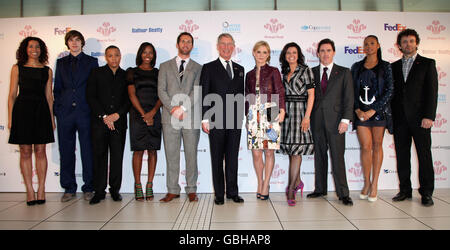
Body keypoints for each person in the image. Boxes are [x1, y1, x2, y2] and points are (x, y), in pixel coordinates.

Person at [390, 29, 438, 207]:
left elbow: (432, 92)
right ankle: (405, 190)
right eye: (404, 41)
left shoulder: (427, 64)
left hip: (421, 119)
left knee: (424, 156)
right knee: (402, 156)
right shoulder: (393, 66)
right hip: (400, 119)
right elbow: (392, 94)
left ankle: (426, 192)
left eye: (411, 41)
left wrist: (429, 116)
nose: (408, 44)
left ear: (416, 43)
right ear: (399, 45)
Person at [8, 37, 55, 206]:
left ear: (41, 49)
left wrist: (51, 119)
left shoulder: (47, 71)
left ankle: (41, 188)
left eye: (37, 46)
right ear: (25, 49)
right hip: (22, 112)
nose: (34, 49)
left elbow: (49, 97)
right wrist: (11, 118)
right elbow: (12, 95)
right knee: (25, 151)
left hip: (41, 111)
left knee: (41, 151)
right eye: (31, 46)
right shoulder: (17, 68)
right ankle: (29, 190)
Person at [307, 38, 354, 206]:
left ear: (333, 52)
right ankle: (320, 189)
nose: (325, 54)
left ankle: (343, 193)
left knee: (337, 157)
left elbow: (349, 98)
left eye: (328, 50)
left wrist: (346, 120)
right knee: (319, 156)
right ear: (317, 53)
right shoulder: (311, 72)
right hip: (317, 121)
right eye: (322, 51)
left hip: (336, 123)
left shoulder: (343, 72)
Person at [200, 33, 246, 205]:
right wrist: (205, 119)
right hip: (215, 120)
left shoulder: (240, 69)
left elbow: (241, 95)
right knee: (217, 158)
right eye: (223, 44)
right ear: (218, 46)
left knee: (233, 158)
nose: (227, 47)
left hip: (235, 121)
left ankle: (232, 192)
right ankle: (219, 194)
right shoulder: (208, 67)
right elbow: (204, 93)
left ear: (234, 47)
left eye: (230, 44)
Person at [54, 30, 99, 202]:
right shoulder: (61, 63)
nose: (74, 43)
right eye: (71, 40)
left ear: (82, 43)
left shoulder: (91, 62)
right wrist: (58, 109)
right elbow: (57, 88)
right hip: (65, 113)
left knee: (88, 151)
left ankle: (89, 187)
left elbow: (94, 88)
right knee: (66, 151)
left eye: (77, 40)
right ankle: (69, 187)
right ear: (67, 43)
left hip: (85, 112)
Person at [157, 32, 202, 203]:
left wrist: (182, 107)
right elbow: (161, 90)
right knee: (172, 155)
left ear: (192, 45)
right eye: (183, 41)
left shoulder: (198, 67)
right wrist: (172, 108)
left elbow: (197, 90)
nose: (185, 44)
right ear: (177, 44)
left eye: (189, 42)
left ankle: (191, 189)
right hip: (169, 117)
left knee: (191, 155)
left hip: (190, 117)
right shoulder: (165, 66)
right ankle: (173, 190)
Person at [351, 35, 394, 202]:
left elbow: (389, 91)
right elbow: (352, 91)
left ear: (378, 46)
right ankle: (366, 182)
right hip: (361, 113)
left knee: (377, 145)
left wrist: (374, 110)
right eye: (366, 44)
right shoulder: (356, 67)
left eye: (372, 44)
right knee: (365, 146)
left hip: (379, 113)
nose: (368, 46)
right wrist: (357, 109)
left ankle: (375, 183)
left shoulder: (386, 66)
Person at [86, 46, 130, 205]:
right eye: (110, 56)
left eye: (116, 55)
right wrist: (104, 116)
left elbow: (129, 99)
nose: (114, 58)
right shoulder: (96, 73)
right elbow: (91, 96)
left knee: (117, 157)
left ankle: (115, 190)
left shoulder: (126, 75)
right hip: (99, 123)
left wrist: (117, 115)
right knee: (99, 157)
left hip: (119, 123)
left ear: (120, 56)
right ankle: (99, 191)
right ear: (106, 57)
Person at [245, 41, 285, 201]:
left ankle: (266, 184)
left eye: (265, 52)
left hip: (271, 109)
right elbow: (247, 96)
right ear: (254, 53)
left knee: (269, 151)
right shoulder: (248, 74)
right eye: (258, 52)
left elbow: (280, 91)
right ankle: (260, 182)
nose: (261, 55)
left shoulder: (274, 71)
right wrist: (246, 117)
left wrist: (282, 109)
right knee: (256, 153)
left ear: (268, 55)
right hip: (253, 113)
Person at [278, 42, 315, 206]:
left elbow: (311, 95)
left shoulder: (305, 70)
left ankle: (292, 188)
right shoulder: (283, 71)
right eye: (288, 53)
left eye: (294, 52)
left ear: (298, 54)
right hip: (286, 113)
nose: (291, 55)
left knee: (297, 151)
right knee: (292, 151)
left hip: (300, 112)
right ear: (284, 56)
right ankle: (298, 182)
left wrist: (307, 117)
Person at [127, 42, 162, 201]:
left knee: (153, 150)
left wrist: (153, 113)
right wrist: (144, 115)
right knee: (139, 150)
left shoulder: (158, 72)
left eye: (151, 53)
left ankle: (149, 184)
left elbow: (162, 94)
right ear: (140, 54)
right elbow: (132, 94)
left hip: (155, 113)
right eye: (145, 52)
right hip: (137, 115)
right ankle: (137, 184)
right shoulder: (131, 72)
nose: (148, 55)